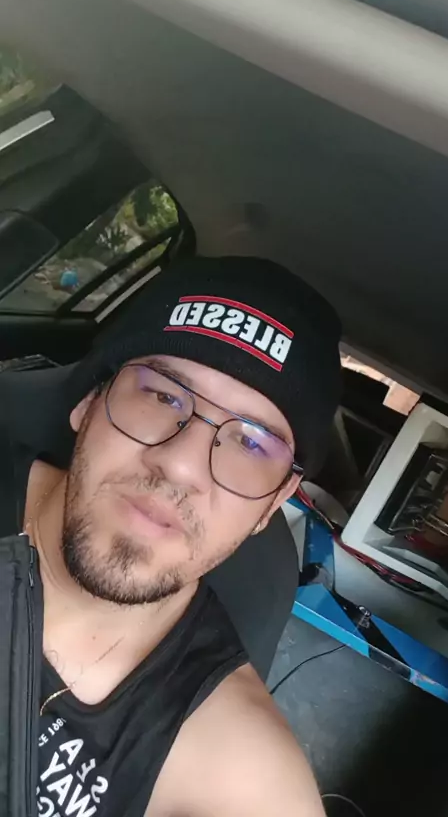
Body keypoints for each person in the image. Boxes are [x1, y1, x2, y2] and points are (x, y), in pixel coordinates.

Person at [10, 255, 341, 816]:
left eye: (251, 443)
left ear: (275, 502)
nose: (180, 465)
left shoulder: (242, 774)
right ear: (90, 401)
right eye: (163, 395)